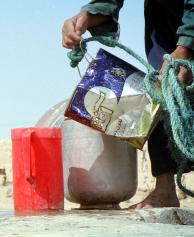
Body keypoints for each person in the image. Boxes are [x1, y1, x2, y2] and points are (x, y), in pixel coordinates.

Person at [62, 0, 194, 209]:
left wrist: (187, 42)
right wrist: (91, 14)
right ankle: (165, 189)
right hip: (165, 18)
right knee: (160, 94)